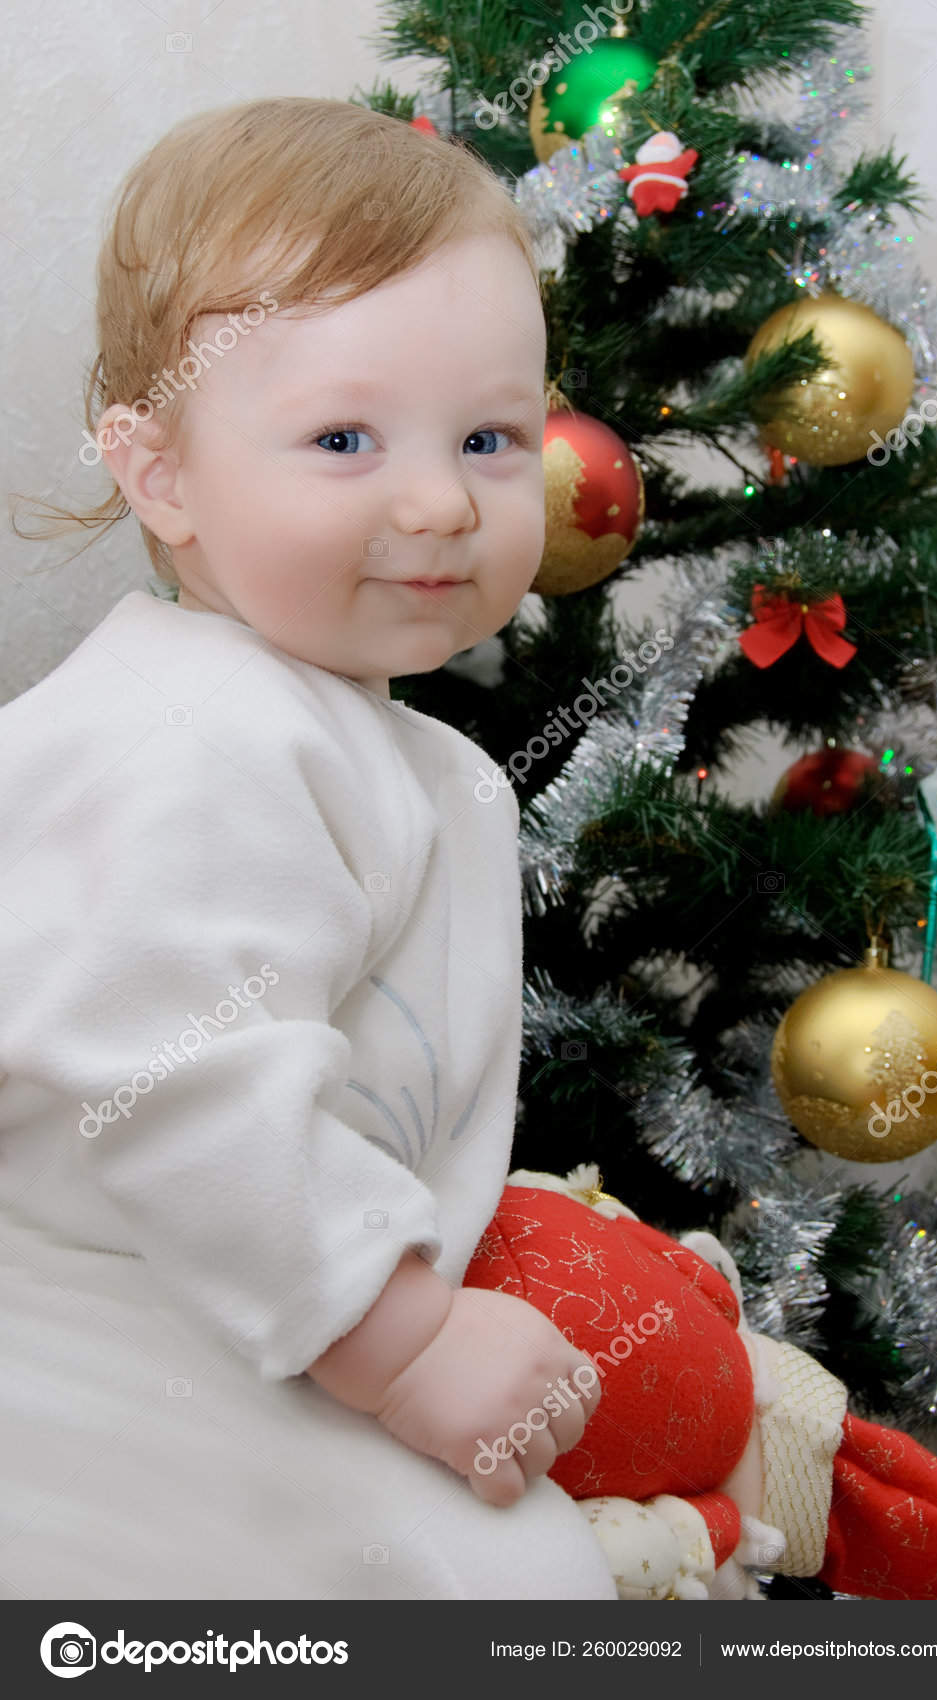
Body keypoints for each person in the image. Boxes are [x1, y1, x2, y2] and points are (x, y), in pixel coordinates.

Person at [0, 97, 619, 1601]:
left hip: (242, 1307)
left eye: (485, 437)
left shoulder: (334, 733)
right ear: (160, 474)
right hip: (104, 1333)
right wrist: (401, 1344)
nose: (435, 500)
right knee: (502, 1589)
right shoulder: (199, 738)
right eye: (343, 437)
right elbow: (170, 1083)